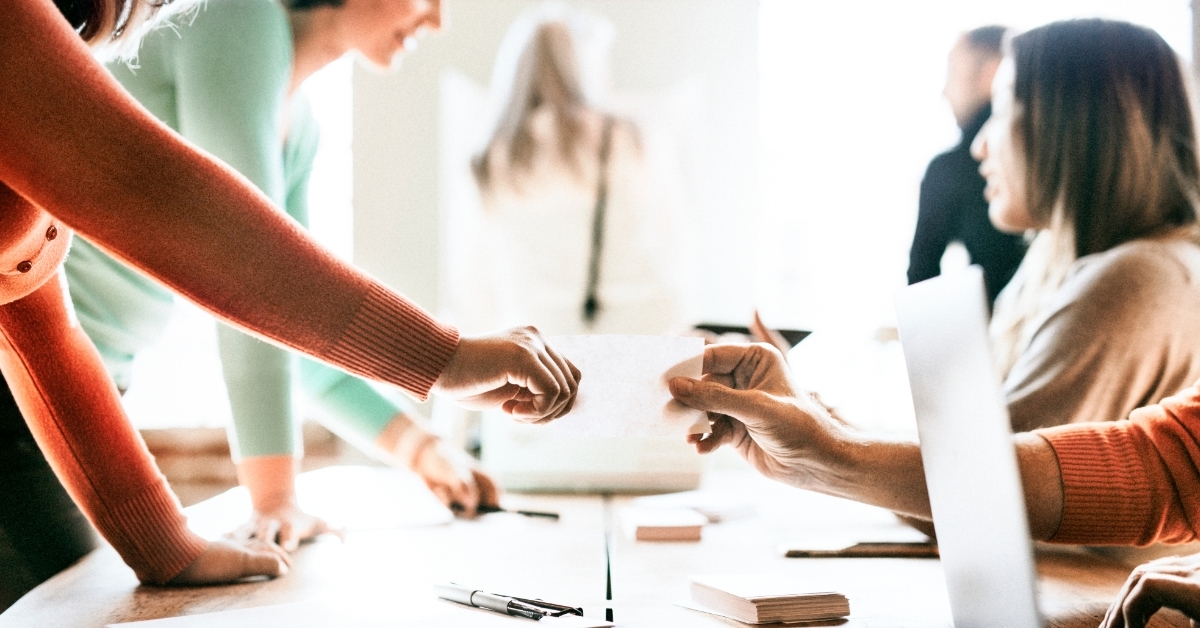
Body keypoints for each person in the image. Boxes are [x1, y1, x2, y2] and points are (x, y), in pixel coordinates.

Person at [0, 0, 577, 593]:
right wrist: (440, 359)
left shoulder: (301, 126)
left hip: (57, 411)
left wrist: (166, 548)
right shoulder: (237, 17)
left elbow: (44, 336)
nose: (438, 21)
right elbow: (184, 216)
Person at [667, 21, 1200, 627]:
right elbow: (963, 477)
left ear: (1070, 129)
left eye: (1000, 111)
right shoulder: (1114, 267)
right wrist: (814, 419)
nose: (977, 146)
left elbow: (971, 498)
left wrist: (816, 427)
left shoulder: (1132, 280)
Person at [464, 5, 695, 337]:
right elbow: (675, 240)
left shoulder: (491, 156)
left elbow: (477, 276)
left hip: (540, 333)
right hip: (643, 321)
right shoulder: (626, 135)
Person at [907, 25, 1027, 306]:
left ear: (992, 73)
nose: (943, 93)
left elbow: (920, 281)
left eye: (952, 74)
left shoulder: (950, 169)